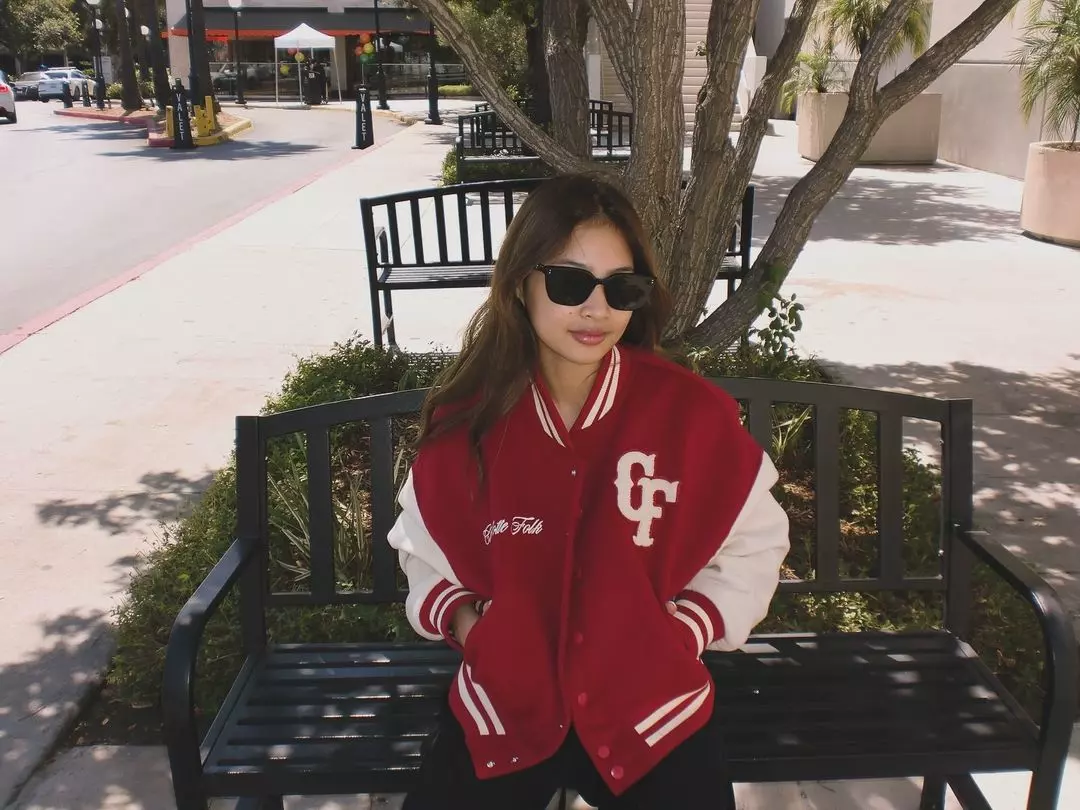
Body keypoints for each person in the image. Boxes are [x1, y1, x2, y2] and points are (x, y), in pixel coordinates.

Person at [386, 173, 790, 809]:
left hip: (652, 709)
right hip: (506, 705)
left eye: (622, 288)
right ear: (520, 282)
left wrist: (682, 634)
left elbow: (756, 543)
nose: (596, 310)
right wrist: (469, 625)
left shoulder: (690, 414)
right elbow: (421, 542)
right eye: (569, 283)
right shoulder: (472, 421)